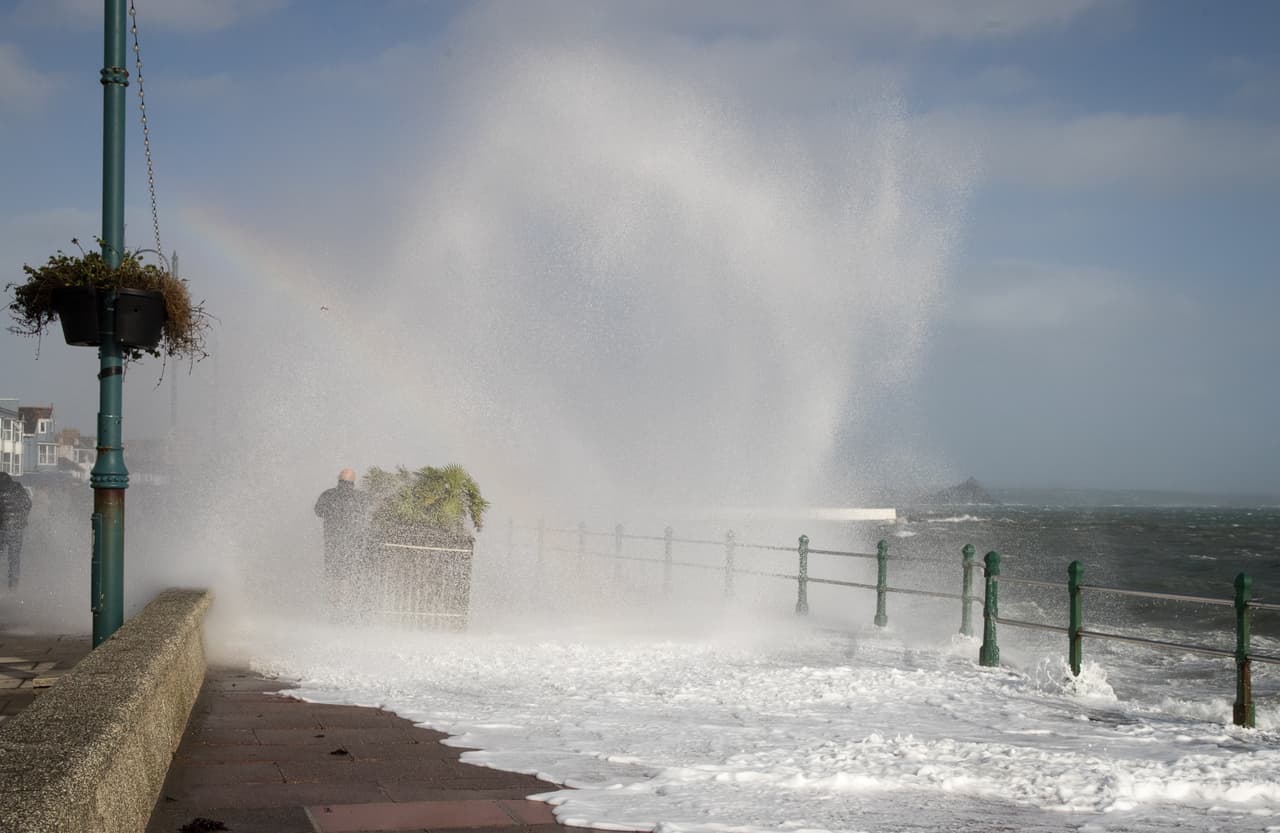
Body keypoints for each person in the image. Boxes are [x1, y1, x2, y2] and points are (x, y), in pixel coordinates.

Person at [314, 468, 367, 614]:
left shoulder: (329, 494)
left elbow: (318, 511)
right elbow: (366, 515)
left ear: (339, 480)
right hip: (353, 543)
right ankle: (346, 608)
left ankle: (332, 607)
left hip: (332, 542)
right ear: (353, 482)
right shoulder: (360, 497)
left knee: (332, 575)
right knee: (349, 575)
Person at [0, 472, 32, 590]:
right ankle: (13, 585)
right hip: (17, 529)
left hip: (2, 528)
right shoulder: (18, 488)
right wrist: (22, 519)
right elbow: (28, 504)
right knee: (14, 558)